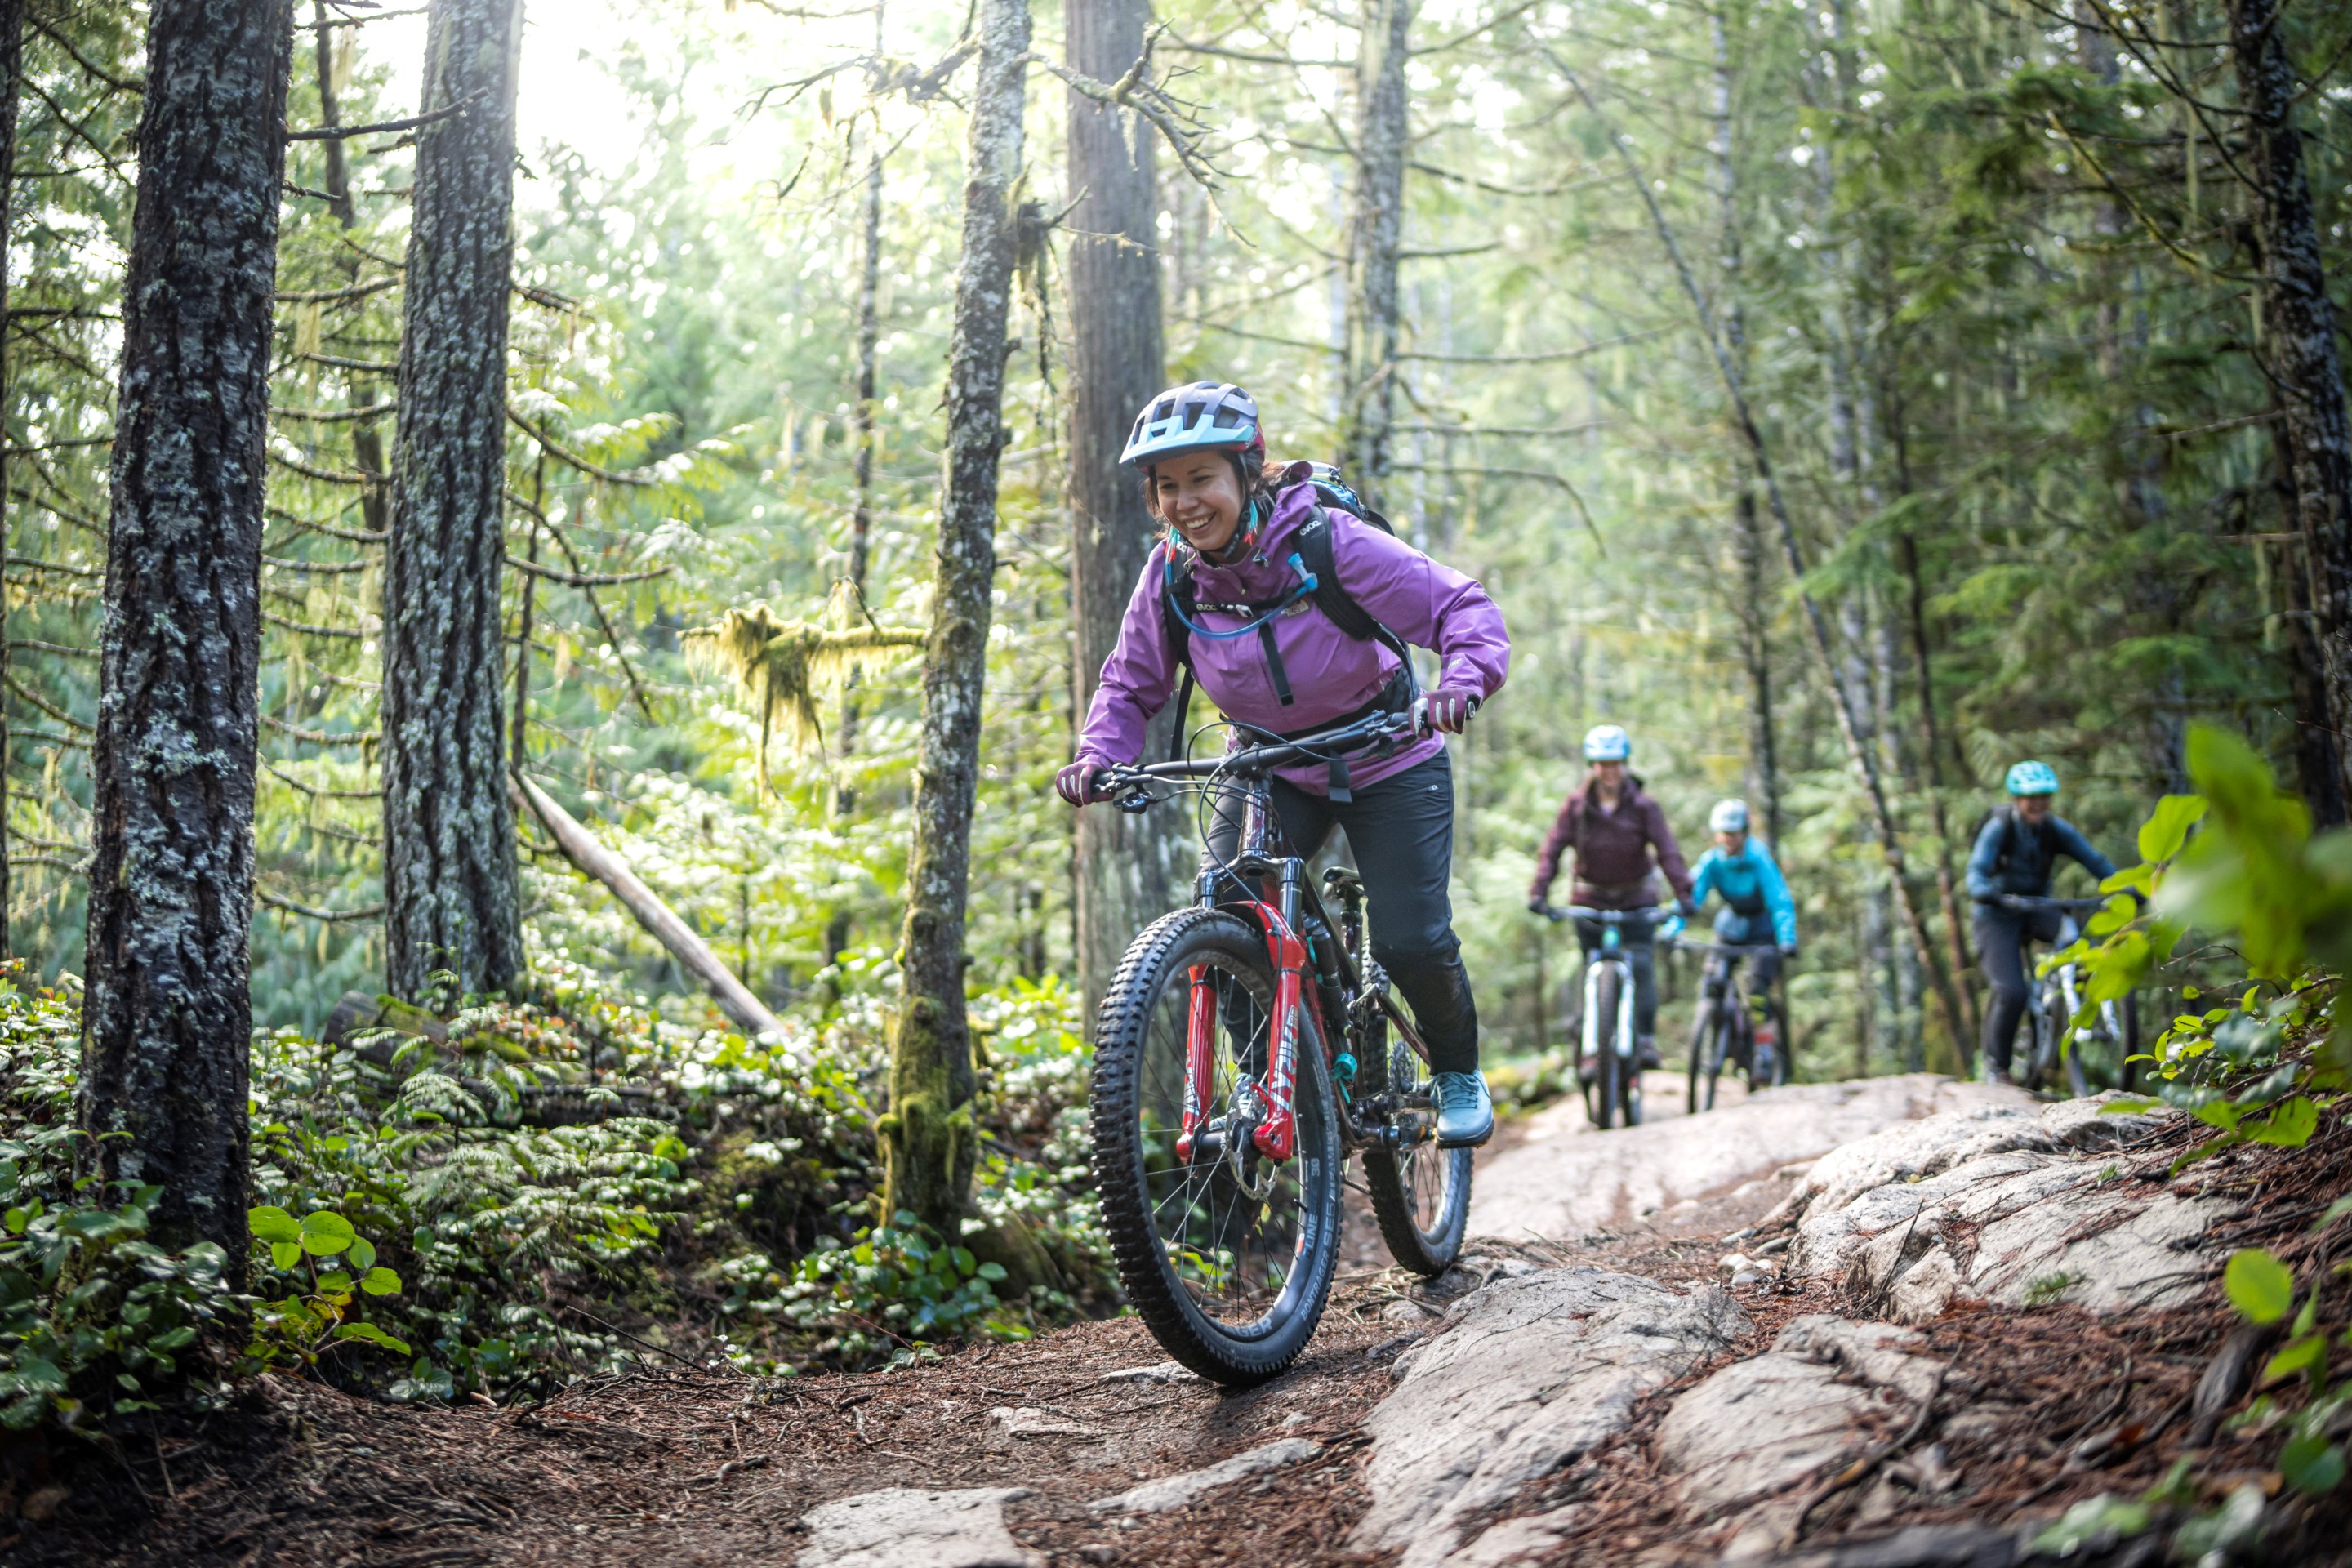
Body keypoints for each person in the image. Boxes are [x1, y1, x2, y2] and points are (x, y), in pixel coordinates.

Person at [1056, 381, 1511, 1147]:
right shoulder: (1172, 575)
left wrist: (1461, 683)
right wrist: (1101, 754)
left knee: (1411, 940)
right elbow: (1132, 681)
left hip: (1386, 755)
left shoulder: (1327, 542)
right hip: (1267, 765)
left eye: (1202, 478)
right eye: (1167, 487)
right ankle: (1264, 1089)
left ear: (1248, 469)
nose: (1185, 502)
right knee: (1231, 915)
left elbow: (1460, 608)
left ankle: (1459, 1072)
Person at [1526, 724, 1695, 1070]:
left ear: (1625, 764)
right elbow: (1553, 850)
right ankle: (1589, 1043)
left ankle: (1645, 1040)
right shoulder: (1576, 806)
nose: (1609, 771)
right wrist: (1539, 891)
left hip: (1637, 898)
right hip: (1590, 899)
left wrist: (1684, 894)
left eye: (1615, 763)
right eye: (1602, 763)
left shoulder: (1645, 807)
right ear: (1593, 765)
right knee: (1590, 965)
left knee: (1643, 964)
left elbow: (1668, 852)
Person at [1967, 760, 2117, 1081]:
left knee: (2080, 944)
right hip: (1997, 913)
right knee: (2012, 991)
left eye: (2044, 797)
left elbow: (2096, 861)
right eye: (2030, 797)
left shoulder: (2054, 829)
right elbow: (1976, 870)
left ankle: (2070, 1002)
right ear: (2016, 798)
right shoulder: (2000, 828)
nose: (2037, 804)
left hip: (2036, 908)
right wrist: (1983, 890)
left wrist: (2126, 886)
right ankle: (1999, 1067)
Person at [1686, 798, 1797, 1043]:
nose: (1729, 839)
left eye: (1734, 834)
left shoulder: (1759, 860)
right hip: (1730, 928)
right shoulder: (1712, 862)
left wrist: (1787, 938)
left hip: (1763, 931)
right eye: (1724, 834)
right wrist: (1673, 925)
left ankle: (1764, 1049)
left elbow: (1779, 901)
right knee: (1712, 984)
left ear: (1744, 833)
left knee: (1757, 993)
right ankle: (1719, 1043)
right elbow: (1690, 896)